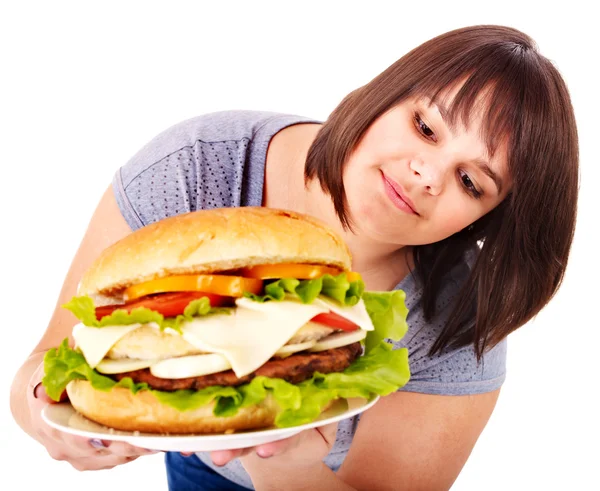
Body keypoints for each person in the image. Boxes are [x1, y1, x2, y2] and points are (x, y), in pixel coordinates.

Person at [10, 24, 578, 490]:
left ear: (489, 219)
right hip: (204, 469)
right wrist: (46, 412)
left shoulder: (462, 318)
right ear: (385, 93)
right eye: (425, 126)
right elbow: (42, 368)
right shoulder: (197, 166)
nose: (426, 175)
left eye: (472, 183)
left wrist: (284, 462)